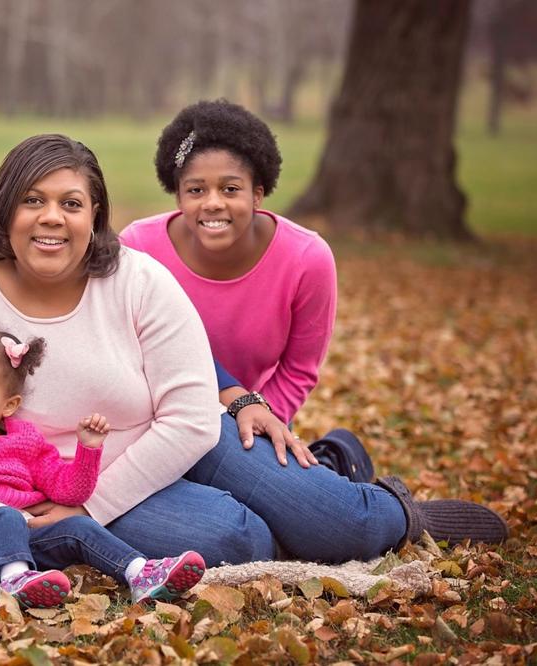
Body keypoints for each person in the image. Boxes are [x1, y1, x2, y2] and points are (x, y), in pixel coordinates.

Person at [0, 133, 507, 585]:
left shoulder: (137, 280)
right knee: (238, 539)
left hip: (187, 443)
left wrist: (87, 511)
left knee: (341, 528)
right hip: (51, 482)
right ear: (4, 209)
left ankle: (390, 506)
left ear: (95, 215)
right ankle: (308, 487)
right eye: (33, 200)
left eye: (72, 203)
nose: (52, 219)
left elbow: (190, 418)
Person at [0, 313, 205, 606]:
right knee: (3, 517)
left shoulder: (26, 442)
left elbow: (69, 493)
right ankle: (16, 581)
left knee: (77, 524)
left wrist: (87, 450)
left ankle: (141, 574)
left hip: (23, 540)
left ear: (9, 405)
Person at [119, 99, 364, 477]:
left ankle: (335, 458)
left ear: (257, 194)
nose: (213, 203)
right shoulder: (139, 246)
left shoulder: (307, 259)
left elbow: (299, 369)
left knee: (278, 511)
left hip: (251, 419)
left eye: (230, 189)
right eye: (196, 190)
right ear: (179, 195)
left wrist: (254, 419)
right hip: (158, 416)